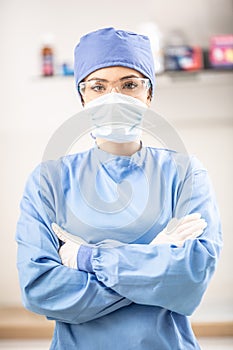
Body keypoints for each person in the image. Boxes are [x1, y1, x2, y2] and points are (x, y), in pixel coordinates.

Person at [16, 27, 222, 350]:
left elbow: (190, 280)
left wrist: (87, 259)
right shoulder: (49, 183)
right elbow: (40, 289)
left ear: (149, 95)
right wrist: (151, 261)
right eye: (98, 86)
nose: (114, 98)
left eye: (129, 85)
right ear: (82, 97)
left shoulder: (184, 175)